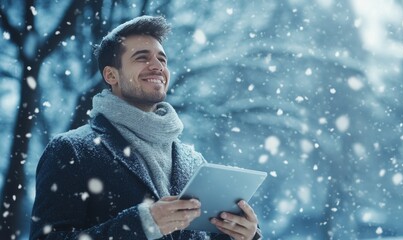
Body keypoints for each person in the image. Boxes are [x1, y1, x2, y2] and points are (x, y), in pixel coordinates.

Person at [30, 15, 262, 240]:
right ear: (111, 75)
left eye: (162, 59)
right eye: (142, 57)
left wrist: (244, 235)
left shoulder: (194, 162)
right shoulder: (71, 150)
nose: (157, 66)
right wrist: (141, 225)